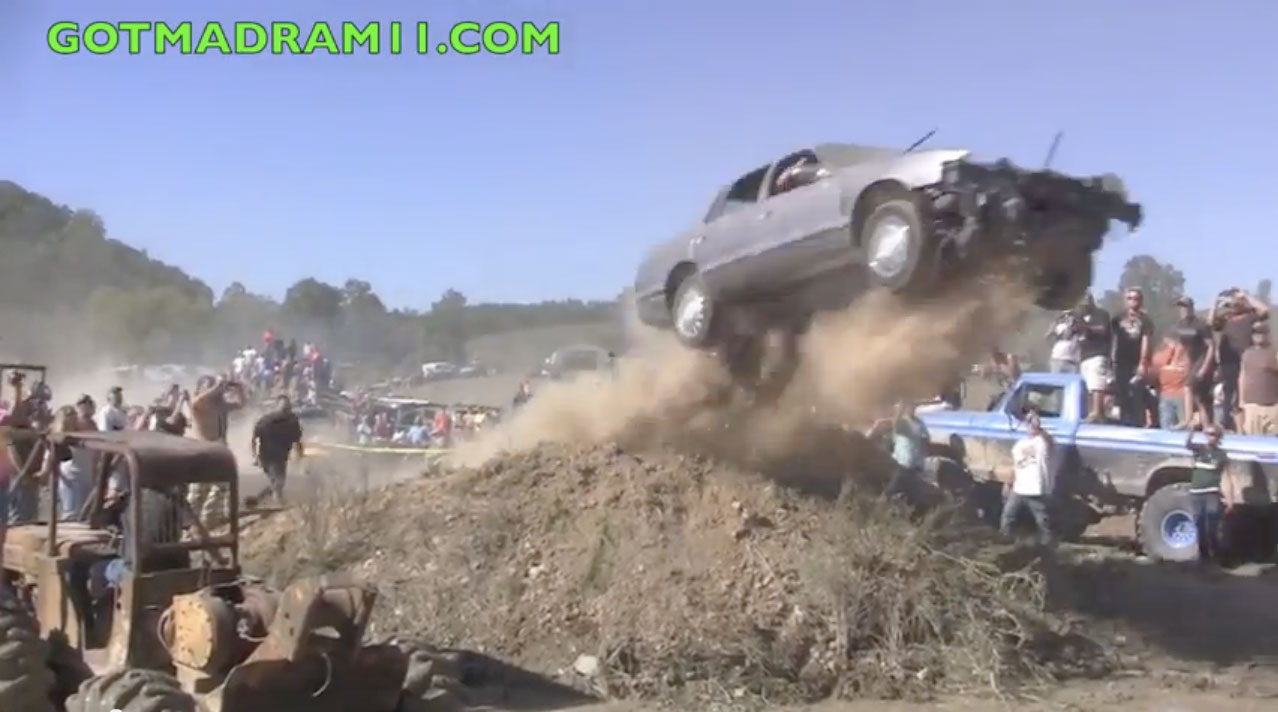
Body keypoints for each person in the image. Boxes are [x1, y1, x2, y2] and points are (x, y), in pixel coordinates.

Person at [187, 375, 245, 527]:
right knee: (198, 492)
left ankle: (208, 521)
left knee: (221, 486)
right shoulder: (198, 406)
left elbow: (241, 404)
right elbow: (197, 401)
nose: (215, 389)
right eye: (208, 386)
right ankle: (190, 524)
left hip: (220, 450)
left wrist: (239, 388)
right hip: (203, 450)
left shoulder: (220, 405)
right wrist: (217, 386)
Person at [1210, 288, 1269, 431]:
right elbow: (1210, 322)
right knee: (1228, 393)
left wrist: (1246, 296)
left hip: (1245, 361)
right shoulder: (1225, 318)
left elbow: (1265, 310)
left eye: (1236, 299)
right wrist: (1216, 303)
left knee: (1242, 395)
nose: (1234, 302)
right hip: (1227, 362)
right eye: (1232, 299)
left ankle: (1243, 426)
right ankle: (1226, 423)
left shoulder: (1250, 316)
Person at [999, 410, 1057, 547]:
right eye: (1028, 424)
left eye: (1031, 424)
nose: (1029, 427)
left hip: (1035, 489)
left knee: (1042, 519)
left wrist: (1038, 427)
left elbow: (1049, 442)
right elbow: (1016, 465)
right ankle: (1004, 540)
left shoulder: (1043, 443)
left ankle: (1048, 544)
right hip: (1019, 487)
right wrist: (1008, 483)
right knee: (1008, 516)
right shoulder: (1021, 443)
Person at [1184, 423, 1232, 566]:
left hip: (1212, 492)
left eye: (1213, 434)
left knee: (1212, 526)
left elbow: (1227, 477)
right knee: (1199, 526)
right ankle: (1203, 557)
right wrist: (1192, 430)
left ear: (1219, 437)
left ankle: (1217, 556)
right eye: (1208, 434)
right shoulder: (1199, 450)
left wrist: (1230, 499)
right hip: (1196, 493)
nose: (1210, 437)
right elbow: (1187, 444)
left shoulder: (1222, 455)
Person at [867, 400, 930, 506]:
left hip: (915, 466)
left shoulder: (919, 423)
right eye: (909, 406)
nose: (912, 409)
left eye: (913, 406)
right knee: (892, 492)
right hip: (903, 466)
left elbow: (925, 441)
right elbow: (895, 424)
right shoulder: (901, 423)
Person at [1111, 288, 1154, 426]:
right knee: (1122, 393)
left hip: (1137, 362)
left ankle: (1138, 422)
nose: (1133, 302)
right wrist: (1111, 361)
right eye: (1129, 298)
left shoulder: (1145, 320)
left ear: (1140, 301)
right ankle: (1124, 421)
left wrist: (1143, 362)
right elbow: (1113, 339)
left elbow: (1146, 341)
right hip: (1121, 361)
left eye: (1136, 298)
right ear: (1125, 300)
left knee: (1137, 393)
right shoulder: (1117, 319)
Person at [250, 395, 304, 506]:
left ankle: (259, 501)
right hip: (270, 457)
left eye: (287, 408)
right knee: (279, 482)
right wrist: (255, 455)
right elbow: (254, 439)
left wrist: (300, 454)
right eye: (285, 408)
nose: (286, 410)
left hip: (275, 456)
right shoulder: (267, 420)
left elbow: (297, 441)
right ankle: (276, 503)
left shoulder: (291, 421)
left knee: (277, 482)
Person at [1173, 297, 1216, 427]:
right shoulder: (1180, 325)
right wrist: (1177, 359)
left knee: (1188, 386)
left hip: (1203, 360)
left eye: (1186, 307)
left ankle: (1187, 419)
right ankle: (1206, 424)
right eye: (1181, 307)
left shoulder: (1200, 324)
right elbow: (1182, 345)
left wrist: (1205, 367)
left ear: (1191, 308)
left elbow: (1211, 346)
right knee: (1200, 398)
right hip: (1192, 361)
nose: (1183, 310)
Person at [1074, 294, 1113, 422]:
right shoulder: (1079, 317)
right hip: (1084, 355)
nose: (1084, 303)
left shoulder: (1101, 314)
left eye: (1087, 299)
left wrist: (1086, 328)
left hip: (1098, 352)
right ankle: (1091, 412)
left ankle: (1097, 412)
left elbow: (1102, 329)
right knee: (1088, 385)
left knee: (1097, 382)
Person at [1238, 321, 1278, 435]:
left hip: (1273, 407)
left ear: (1268, 334)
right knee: (1254, 441)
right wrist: (1241, 401)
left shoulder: (1274, 352)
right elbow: (1242, 376)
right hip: (1252, 406)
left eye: (1262, 332)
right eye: (1256, 333)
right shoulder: (1246, 353)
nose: (1259, 335)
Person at [1151, 335, 1191, 429]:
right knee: (1167, 426)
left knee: (1183, 427)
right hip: (1166, 395)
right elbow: (1155, 374)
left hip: (1182, 395)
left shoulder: (1188, 358)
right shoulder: (1161, 357)